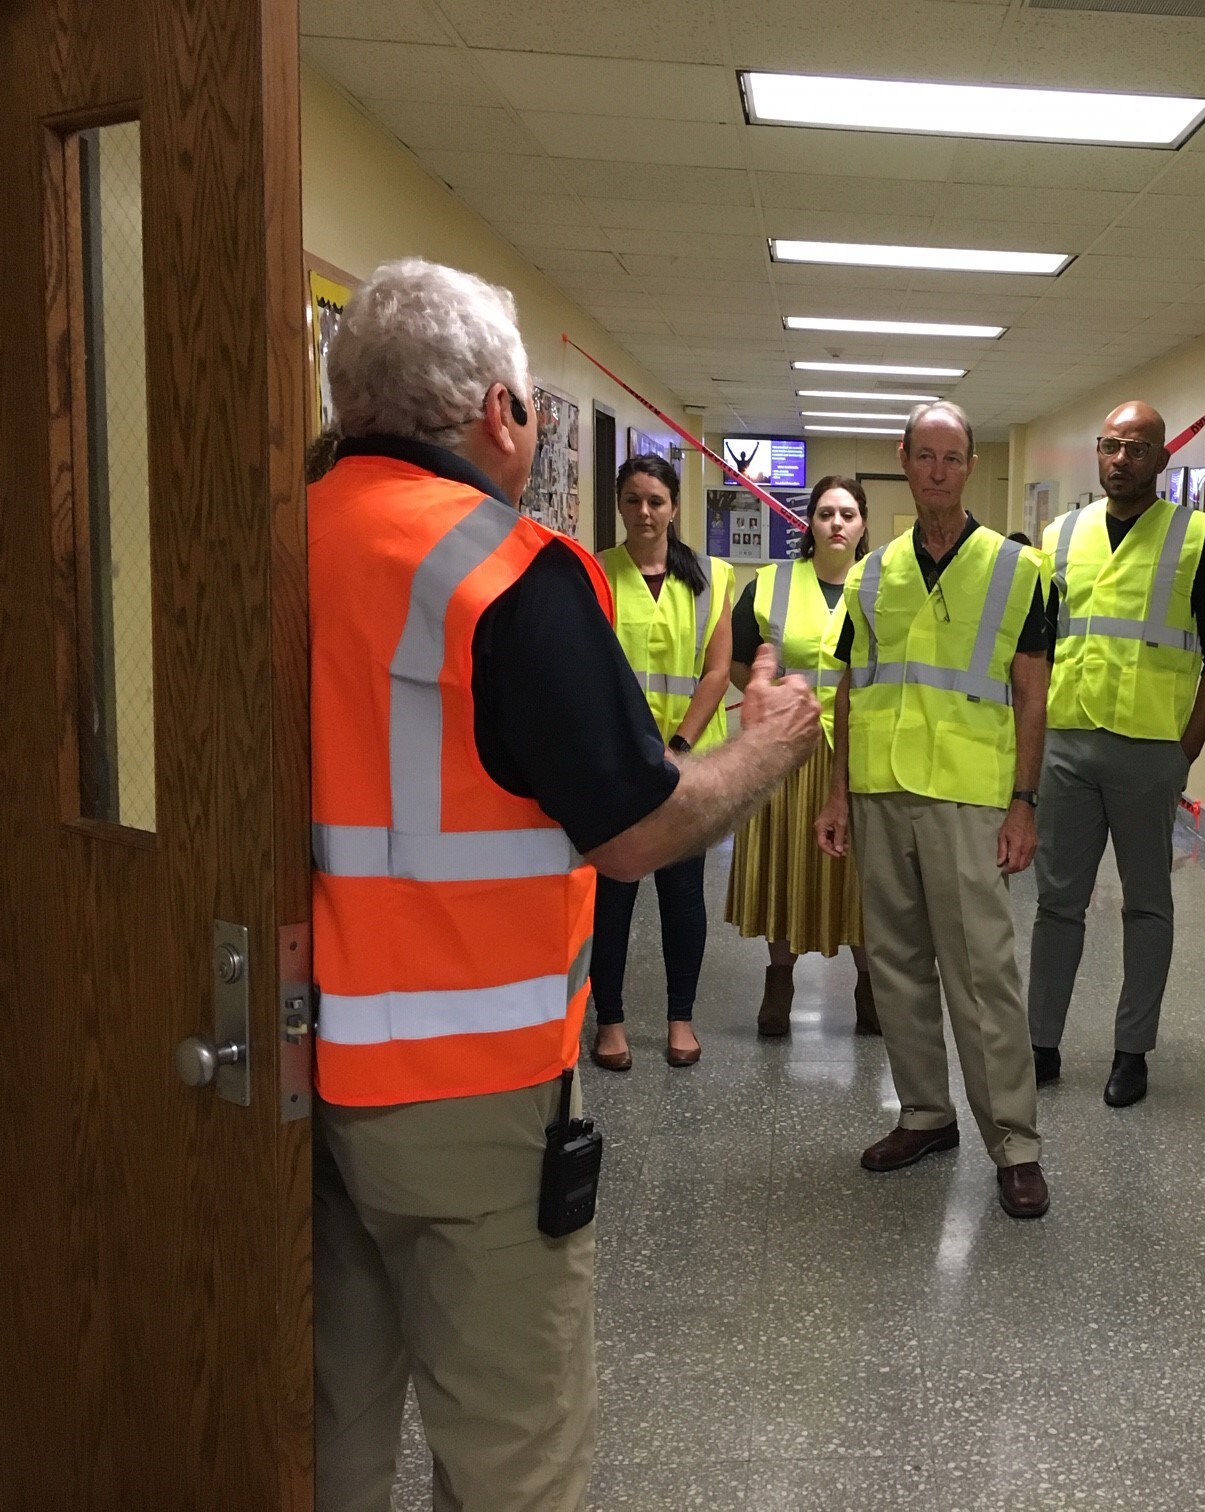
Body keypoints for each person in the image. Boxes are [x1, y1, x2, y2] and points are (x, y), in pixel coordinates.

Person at [309, 258, 819, 1512]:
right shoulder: (509, 571)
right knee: (512, 1460)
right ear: (501, 413)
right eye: (532, 402)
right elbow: (638, 831)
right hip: (466, 1091)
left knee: (326, 1433)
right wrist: (762, 751)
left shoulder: (274, 534)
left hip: (282, 1064)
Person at [814, 400, 1055, 1219]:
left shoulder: (1019, 571)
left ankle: (1014, 1142)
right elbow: (850, 688)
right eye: (925, 457)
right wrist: (838, 790)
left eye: (954, 457)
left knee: (983, 974)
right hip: (882, 792)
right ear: (905, 460)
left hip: (969, 796)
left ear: (970, 464)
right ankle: (924, 1112)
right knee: (898, 965)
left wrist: (1024, 802)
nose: (939, 471)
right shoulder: (873, 573)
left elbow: (1031, 695)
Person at [1026, 401, 1205, 1107]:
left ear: (1162, 459)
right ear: (1098, 453)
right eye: (1111, 447)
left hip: (1151, 750)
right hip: (1068, 742)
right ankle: (1042, 1042)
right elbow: (1035, 649)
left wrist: (1185, 752)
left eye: (1138, 449)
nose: (1122, 460)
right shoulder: (1058, 537)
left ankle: (1132, 1051)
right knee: (1057, 901)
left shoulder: (1197, 539)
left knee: (1147, 904)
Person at [586, 455, 738, 1071]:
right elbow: (591, 670)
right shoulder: (594, 572)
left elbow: (719, 669)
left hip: (687, 765)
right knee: (613, 895)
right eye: (632, 500)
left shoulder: (712, 576)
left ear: (675, 506)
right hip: (615, 766)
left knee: (682, 894)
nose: (644, 513)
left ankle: (681, 1018)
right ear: (619, 505)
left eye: (655, 501)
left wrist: (676, 746)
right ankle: (612, 1022)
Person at [726, 475, 878, 1036]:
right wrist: (776, 697)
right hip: (787, 749)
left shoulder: (881, 586)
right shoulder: (770, 585)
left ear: (863, 525)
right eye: (825, 514)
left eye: (848, 514)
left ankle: (870, 990)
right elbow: (741, 661)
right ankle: (779, 986)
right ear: (809, 523)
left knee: (858, 873)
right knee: (785, 860)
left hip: (858, 750)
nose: (836, 523)